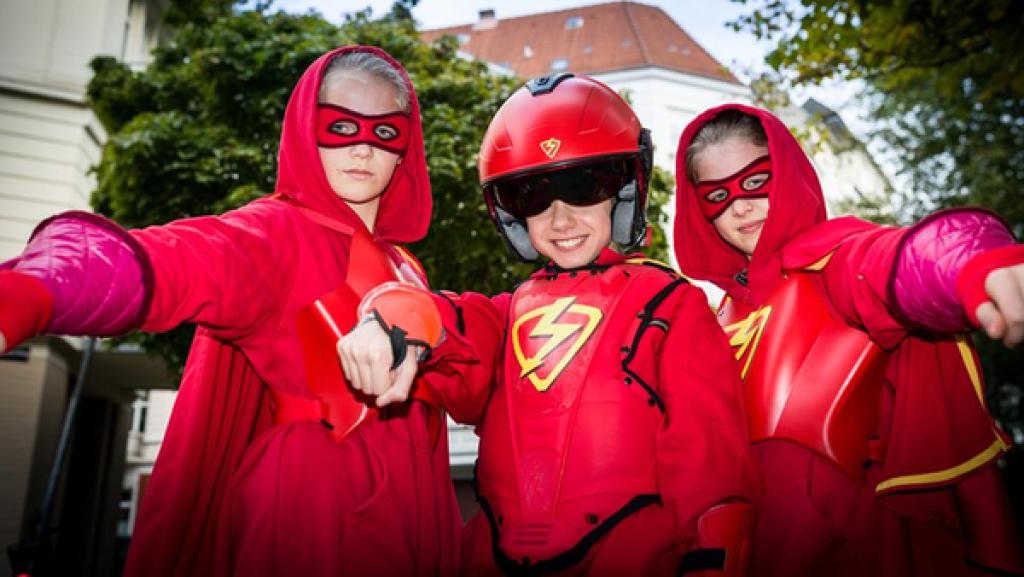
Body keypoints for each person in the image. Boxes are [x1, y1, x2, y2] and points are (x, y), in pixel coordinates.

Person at [0, 46, 464, 577]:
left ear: (407, 148)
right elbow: (174, 259)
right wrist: (34, 290)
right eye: (340, 126)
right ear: (304, 130)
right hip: (313, 505)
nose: (362, 147)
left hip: (415, 499)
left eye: (385, 133)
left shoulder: (407, 265)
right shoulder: (274, 233)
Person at [340, 74, 760, 577]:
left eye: (583, 187)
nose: (560, 220)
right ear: (509, 214)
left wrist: (714, 556)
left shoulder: (671, 304)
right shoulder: (508, 309)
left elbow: (711, 458)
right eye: (530, 196)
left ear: (622, 191)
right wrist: (387, 316)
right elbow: (451, 319)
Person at [673, 103, 1024, 577]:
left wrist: (969, 260)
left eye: (755, 182)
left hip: (861, 544)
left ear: (788, 173)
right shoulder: (718, 315)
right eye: (717, 194)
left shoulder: (833, 258)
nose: (740, 205)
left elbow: (898, 260)